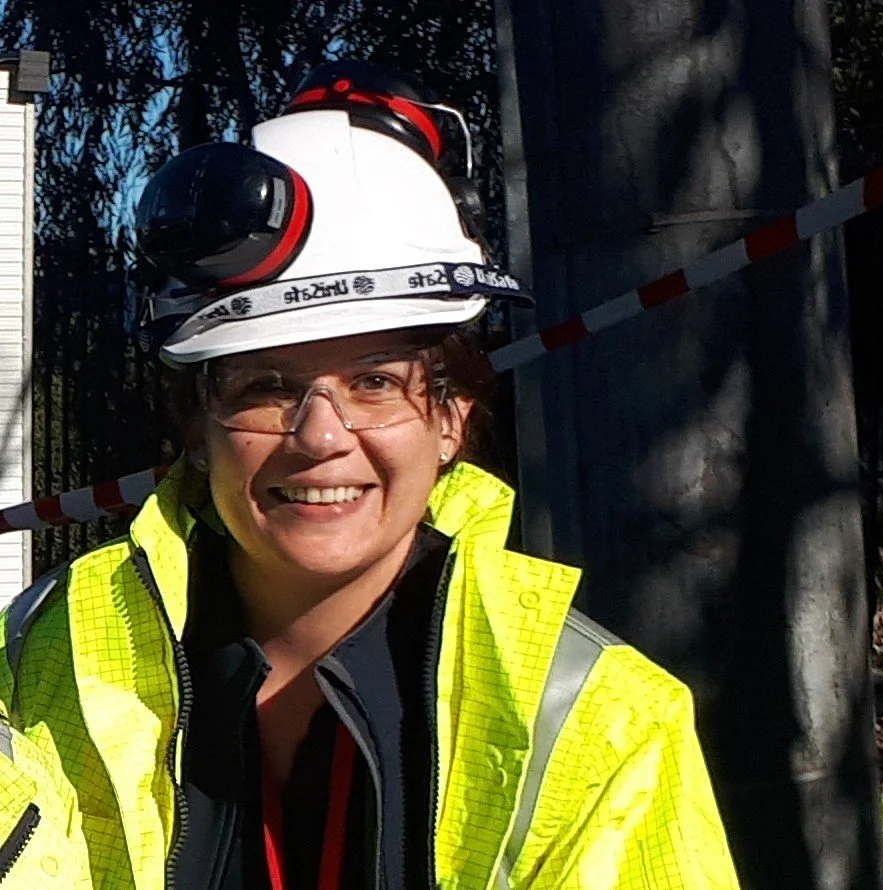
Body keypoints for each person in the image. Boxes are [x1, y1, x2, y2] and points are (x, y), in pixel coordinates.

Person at [0, 61, 739, 889]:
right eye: (265, 386)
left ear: (451, 418)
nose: (320, 435)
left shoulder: (600, 723)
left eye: (376, 382)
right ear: (199, 429)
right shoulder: (43, 659)